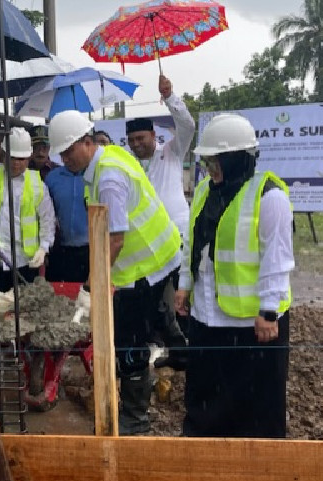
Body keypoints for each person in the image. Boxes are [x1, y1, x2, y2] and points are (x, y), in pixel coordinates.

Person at [49, 110, 182, 435]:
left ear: (87, 141)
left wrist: (94, 285)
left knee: (130, 341)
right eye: (62, 154)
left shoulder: (107, 177)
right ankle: (185, 358)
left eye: (69, 151)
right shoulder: (109, 158)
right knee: (164, 320)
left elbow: (117, 238)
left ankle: (135, 421)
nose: (65, 159)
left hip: (144, 266)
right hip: (161, 256)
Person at [175, 113, 294, 438]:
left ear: (238, 159)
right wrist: (185, 285)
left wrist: (268, 311)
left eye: (216, 162)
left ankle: (256, 469)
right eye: (208, 162)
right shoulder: (203, 192)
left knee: (257, 407)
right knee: (204, 398)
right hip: (207, 318)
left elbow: (277, 259)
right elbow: (193, 244)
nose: (210, 170)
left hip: (253, 326)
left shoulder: (270, 197)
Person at [126, 74, 195, 371]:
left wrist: (170, 97)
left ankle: (194, 353)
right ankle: (174, 351)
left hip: (178, 239)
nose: (137, 145)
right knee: (157, 303)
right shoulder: (129, 167)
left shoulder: (172, 153)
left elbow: (188, 125)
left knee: (184, 299)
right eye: (131, 141)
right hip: (151, 246)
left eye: (141, 139)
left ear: (154, 136)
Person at [0, 127, 55, 293]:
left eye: (21, 158)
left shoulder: (36, 184)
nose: (16, 163)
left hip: (24, 262)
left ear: (29, 158)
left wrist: (44, 247)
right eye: (12, 157)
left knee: (23, 310)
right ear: (4, 154)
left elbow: (47, 219)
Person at [44, 157, 89, 283]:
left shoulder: (95, 174)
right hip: (62, 249)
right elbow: (46, 215)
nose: (68, 158)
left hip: (93, 250)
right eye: (64, 154)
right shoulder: (52, 178)